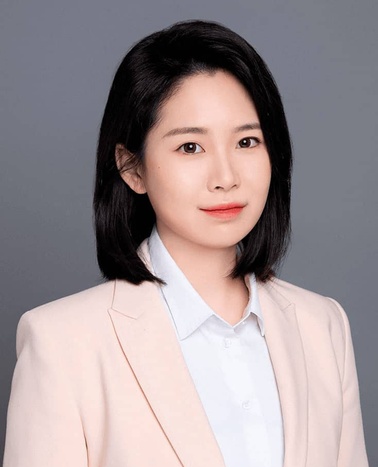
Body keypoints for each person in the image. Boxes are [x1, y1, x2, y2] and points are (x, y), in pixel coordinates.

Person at [3, 19, 368, 467]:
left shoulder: (324, 326)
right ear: (132, 168)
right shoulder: (62, 343)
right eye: (190, 147)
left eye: (248, 141)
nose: (227, 177)